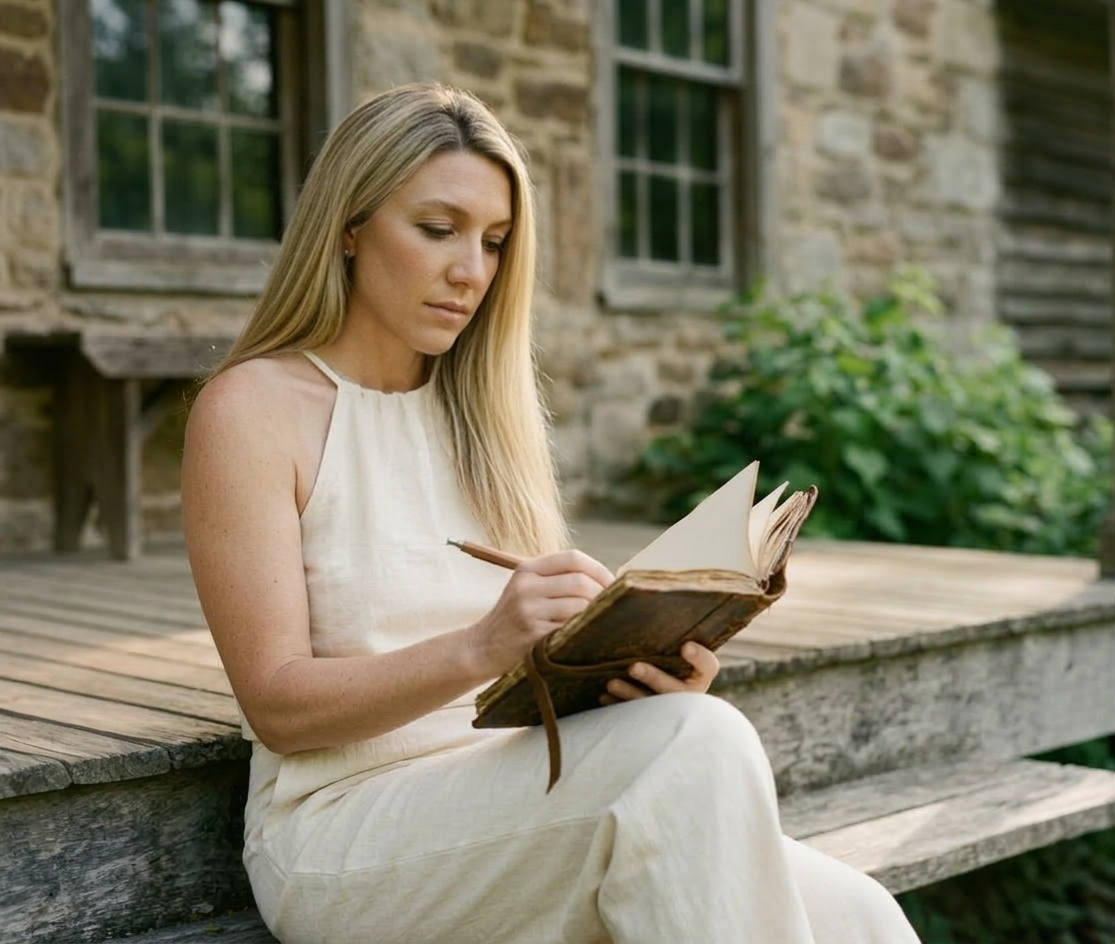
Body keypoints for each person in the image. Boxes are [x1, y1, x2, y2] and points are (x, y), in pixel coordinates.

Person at [182, 82, 921, 944]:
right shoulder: (252, 410)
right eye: (436, 230)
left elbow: (530, 679)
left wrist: (624, 681)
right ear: (348, 226)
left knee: (860, 912)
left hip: (518, 786)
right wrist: (480, 645)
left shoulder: (484, 419)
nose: (471, 271)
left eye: (494, 243)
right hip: (343, 831)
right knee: (696, 745)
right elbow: (277, 706)